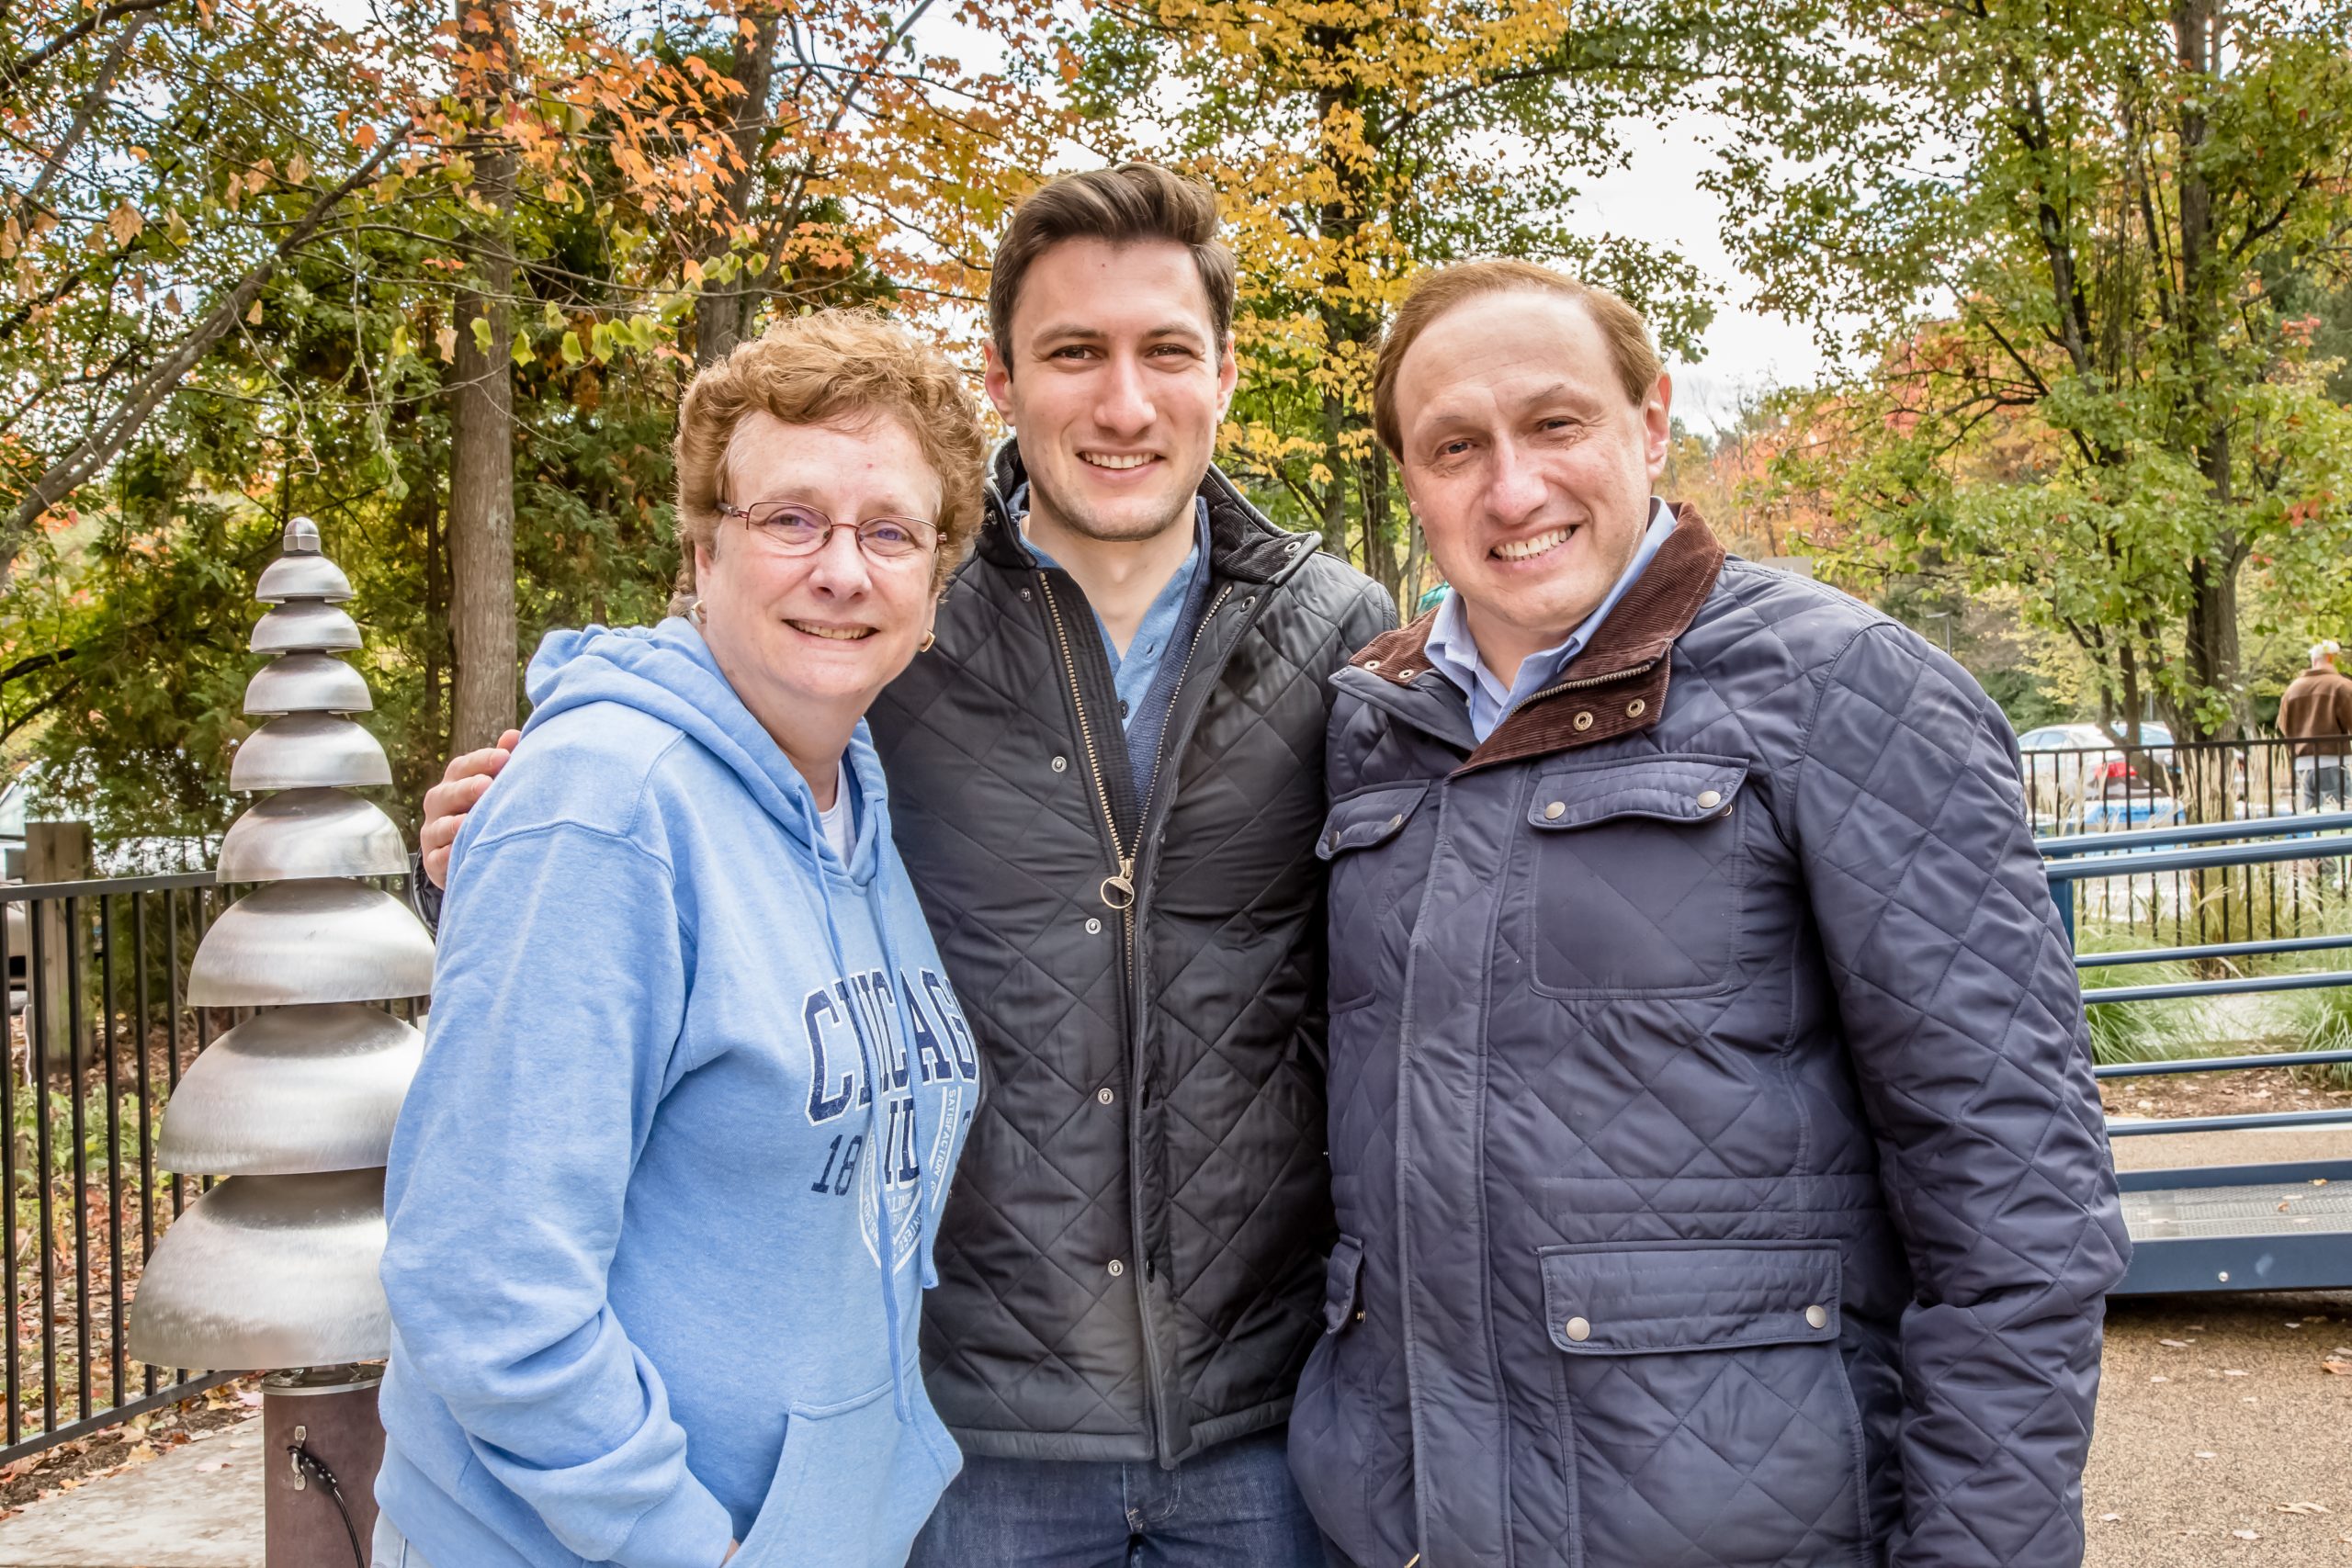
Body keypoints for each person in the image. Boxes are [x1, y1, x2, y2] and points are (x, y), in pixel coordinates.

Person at [411, 164, 1396, 1567]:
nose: (1122, 403)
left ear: (1225, 374)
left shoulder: (1337, 632)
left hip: (1254, 1416)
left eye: (1165, 351)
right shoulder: (893, 627)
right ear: (1003, 377)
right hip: (966, 1427)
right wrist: (498, 835)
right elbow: (672, 754)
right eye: (1072, 352)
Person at [1291, 259, 2129, 1568]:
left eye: (1556, 423)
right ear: (1409, 472)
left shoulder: (1847, 689)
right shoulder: (1371, 723)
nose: (1512, 488)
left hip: (1751, 1525)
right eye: (1456, 444)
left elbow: (2016, 1203)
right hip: (1403, 1523)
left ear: (1652, 420)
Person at [373, 310, 988, 1568]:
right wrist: (679, 1540)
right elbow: (486, 1281)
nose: (841, 568)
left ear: (934, 579)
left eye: (888, 531)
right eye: (789, 519)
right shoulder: (604, 804)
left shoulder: (849, 795)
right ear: (704, 548)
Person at [2280, 639, 2352, 812]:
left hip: (2303, 765)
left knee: (2311, 820)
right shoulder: (2341, 685)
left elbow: (2284, 726)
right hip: (2335, 762)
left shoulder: (2293, 688)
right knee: (2339, 820)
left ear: (2314, 661)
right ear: (2332, 659)